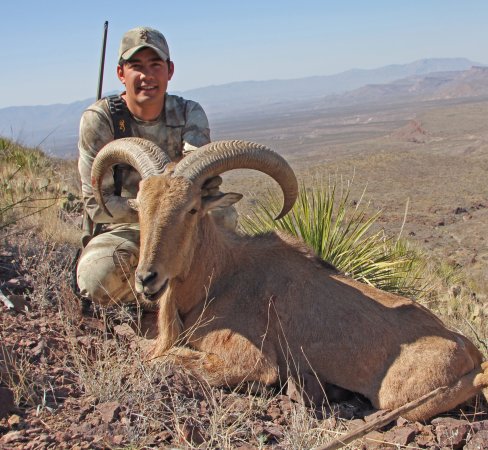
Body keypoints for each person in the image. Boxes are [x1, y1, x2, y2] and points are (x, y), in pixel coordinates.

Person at [76, 26, 233, 308]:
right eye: (136, 67)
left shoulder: (188, 113)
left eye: (155, 65)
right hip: (125, 226)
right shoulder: (101, 120)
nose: (147, 76)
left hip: (180, 223)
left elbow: (205, 178)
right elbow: (97, 205)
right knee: (96, 277)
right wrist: (151, 212)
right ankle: (167, 299)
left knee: (224, 216)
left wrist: (173, 213)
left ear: (169, 70)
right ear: (121, 74)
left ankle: (188, 291)